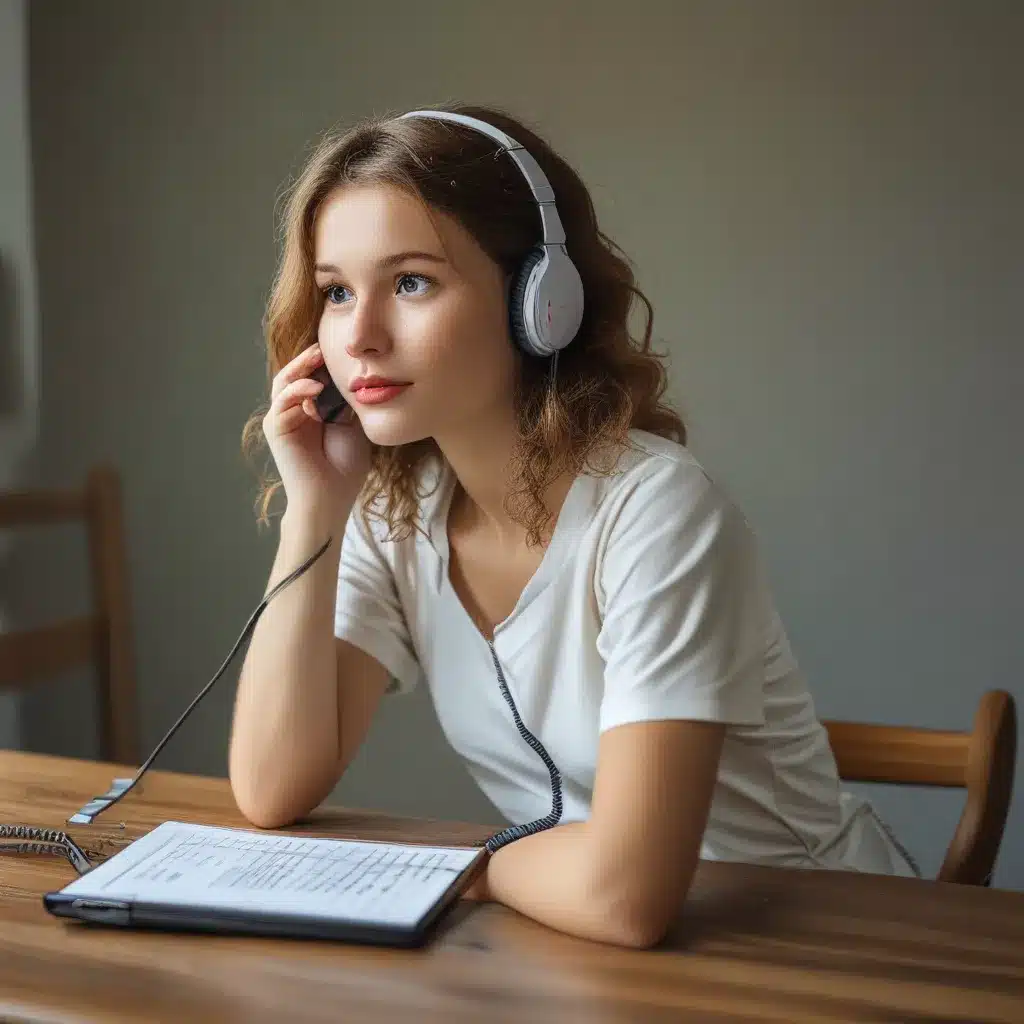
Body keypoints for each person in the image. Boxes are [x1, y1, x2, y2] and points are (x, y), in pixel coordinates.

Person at [230, 104, 917, 949]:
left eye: (410, 282)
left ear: (539, 302)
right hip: (585, 947)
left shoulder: (656, 512)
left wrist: (472, 867)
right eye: (336, 292)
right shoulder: (392, 512)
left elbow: (625, 897)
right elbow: (270, 787)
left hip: (825, 943)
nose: (360, 337)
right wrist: (315, 509)